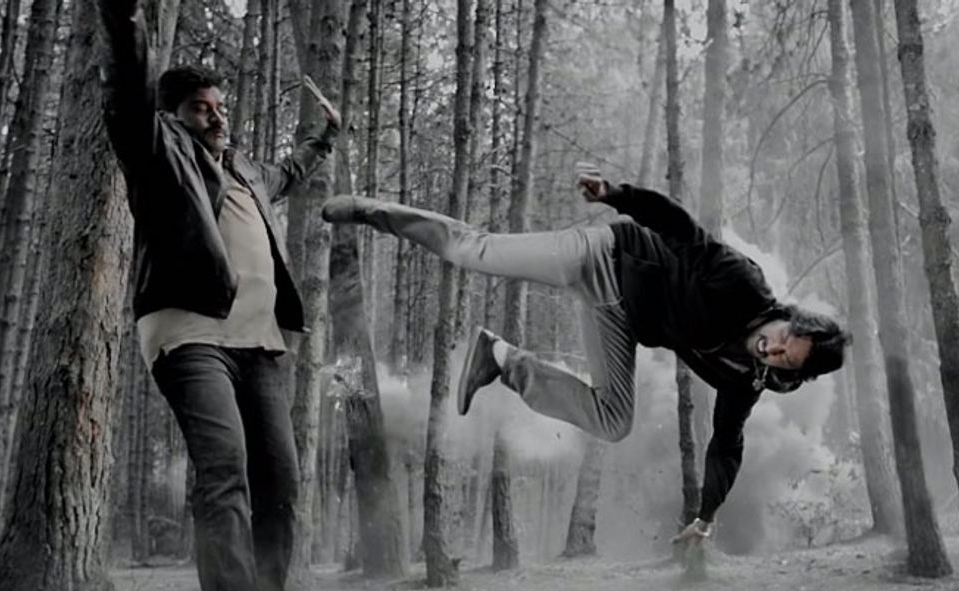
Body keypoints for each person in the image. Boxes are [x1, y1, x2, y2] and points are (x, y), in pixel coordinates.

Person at [321, 165, 851, 546]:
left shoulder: (746, 379)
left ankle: (500, 358)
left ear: (790, 373)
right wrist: (617, 195)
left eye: (785, 360)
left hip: (618, 318)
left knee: (613, 420)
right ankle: (371, 211)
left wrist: (707, 516)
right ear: (789, 317)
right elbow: (680, 227)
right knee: (474, 250)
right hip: (605, 256)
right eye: (783, 337)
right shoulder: (743, 284)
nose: (773, 348)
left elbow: (727, 444)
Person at [98, 1, 341, 591]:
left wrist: (326, 136)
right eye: (201, 108)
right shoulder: (158, 151)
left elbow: (288, 171)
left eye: (220, 106)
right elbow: (132, 91)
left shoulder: (246, 172)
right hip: (190, 335)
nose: (216, 117)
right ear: (173, 115)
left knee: (281, 485)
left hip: (259, 345)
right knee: (225, 475)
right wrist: (125, 22)